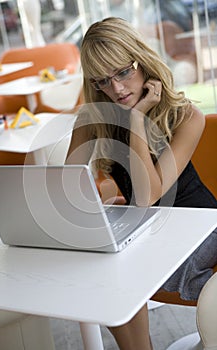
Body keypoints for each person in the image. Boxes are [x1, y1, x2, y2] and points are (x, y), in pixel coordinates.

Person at [65, 17, 217, 350]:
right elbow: (69, 186)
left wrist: (135, 121)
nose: (117, 89)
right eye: (103, 81)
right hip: (144, 226)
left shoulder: (186, 116)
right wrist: (102, 202)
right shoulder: (96, 117)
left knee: (119, 270)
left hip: (197, 227)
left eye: (123, 72)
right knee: (103, 265)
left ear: (142, 61)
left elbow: (149, 194)